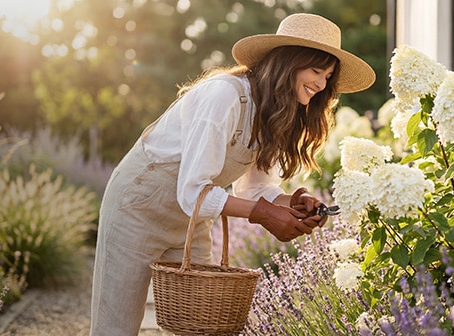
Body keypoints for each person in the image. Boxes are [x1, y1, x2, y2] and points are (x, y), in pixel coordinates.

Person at [89, 13, 376, 335]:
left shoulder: (273, 112)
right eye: (315, 71)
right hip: (138, 207)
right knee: (117, 324)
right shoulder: (223, 95)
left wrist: (293, 202)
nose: (321, 84)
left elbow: (254, 189)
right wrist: (264, 214)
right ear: (288, 64)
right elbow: (193, 192)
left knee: (201, 326)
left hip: (192, 219)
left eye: (327, 76)